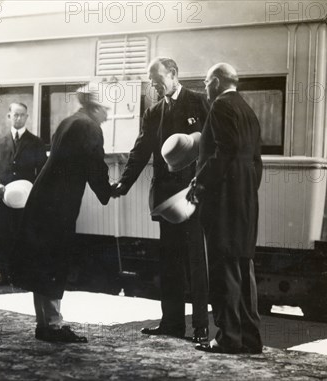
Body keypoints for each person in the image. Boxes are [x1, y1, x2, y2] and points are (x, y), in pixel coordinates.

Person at [111, 57, 210, 344]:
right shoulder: (153, 112)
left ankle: (201, 327)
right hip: (166, 197)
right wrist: (123, 184)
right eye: (151, 81)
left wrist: (203, 184)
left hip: (193, 195)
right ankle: (172, 324)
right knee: (169, 260)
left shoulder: (199, 102)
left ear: (174, 74)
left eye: (157, 79)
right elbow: (141, 150)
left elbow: (212, 146)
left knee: (195, 262)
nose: (154, 85)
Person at [12, 86, 111, 343]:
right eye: (106, 111)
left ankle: (43, 324)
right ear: (95, 108)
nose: (107, 117)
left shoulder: (69, 121)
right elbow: (96, 166)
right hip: (59, 206)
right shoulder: (89, 126)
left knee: (41, 261)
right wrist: (109, 190)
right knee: (55, 260)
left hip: (42, 199)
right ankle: (54, 327)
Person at [189, 63, 263, 354]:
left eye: (206, 82)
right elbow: (256, 161)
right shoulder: (248, 110)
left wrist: (200, 181)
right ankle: (251, 338)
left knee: (223, 268)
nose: (205, 88)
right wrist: (245, 190)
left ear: (217, 82)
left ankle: (229, 337)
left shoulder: (220, 107)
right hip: (246, 199)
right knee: (244, 267)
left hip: (223, 200)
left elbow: (223, 151)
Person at [0, 102, 47, 286]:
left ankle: (22, 277)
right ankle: (4, 276)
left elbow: (42, 172)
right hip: (3, 200)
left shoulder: (36, 142)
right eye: (15, 114)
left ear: (27, 117)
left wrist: (34, 194)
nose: (19, 118)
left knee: (24, 238)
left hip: (26, 200)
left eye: (22, 115)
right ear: (9, 116)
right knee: (3, 238)